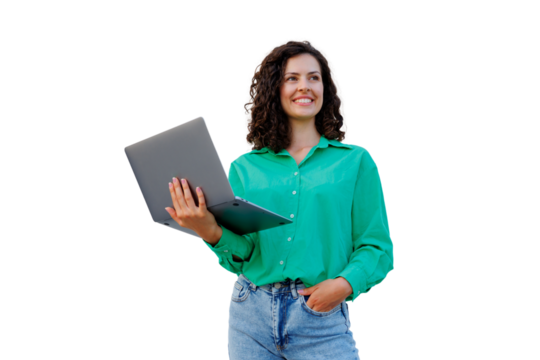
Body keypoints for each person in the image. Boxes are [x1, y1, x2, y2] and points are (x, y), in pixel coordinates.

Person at [165, 36, 394, 359]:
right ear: (274, 88)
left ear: (326, 89)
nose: (305, 86)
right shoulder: (245, 166)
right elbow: (245, 251)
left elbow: (376, 246)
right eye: (292, 78)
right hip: (250, 314)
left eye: (314, 78)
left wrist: (344, 284)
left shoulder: (355, 161)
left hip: (320, 316)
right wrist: (207, 229)